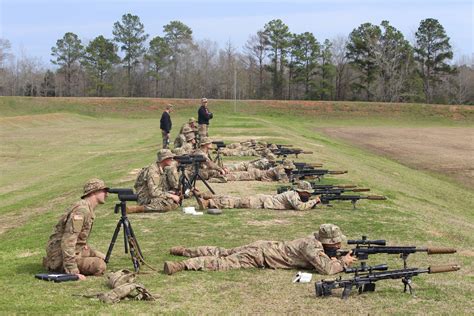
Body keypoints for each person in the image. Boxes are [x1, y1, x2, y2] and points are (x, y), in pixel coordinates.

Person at [163, 223, 357, 275]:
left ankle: (184, 250)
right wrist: (342, 262)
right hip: (259, 256)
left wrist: (335, 257)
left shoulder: (313, 242)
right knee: (222, 261)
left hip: (262, 247)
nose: (339, 246)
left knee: (223, 251)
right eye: (336, 243)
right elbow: (327, 269)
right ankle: (181, 264)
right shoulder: (312, 246)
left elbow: (322, 259)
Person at [43, 178, 109, 280]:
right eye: (104, 191)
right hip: (61, 254)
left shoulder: (87, 208)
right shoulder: (81, 211)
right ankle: (57, 265)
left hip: (75, 249)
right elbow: (68, 240)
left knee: (104, 257)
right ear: (94, 192)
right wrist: (72, 270)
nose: (107, 194)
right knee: (100, 266)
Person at [197, 180, 319, 210]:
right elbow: (300, 207)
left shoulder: (294, 194)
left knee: (236, 199)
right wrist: (314, 201)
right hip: (260, 201)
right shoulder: (293, 196)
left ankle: (210, 197)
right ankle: (208, 202)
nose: (308, 195)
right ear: (301, 191)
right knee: (235, 203)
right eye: (307, 193)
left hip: (263, 199)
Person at [211, 160, 295, 182]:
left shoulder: (282, 169)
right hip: (257, 174)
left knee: (238, 175)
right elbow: (284, 181)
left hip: (258, 173)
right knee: (238, 176)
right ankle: (217, 176)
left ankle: (219, 174)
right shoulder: (280, 169)